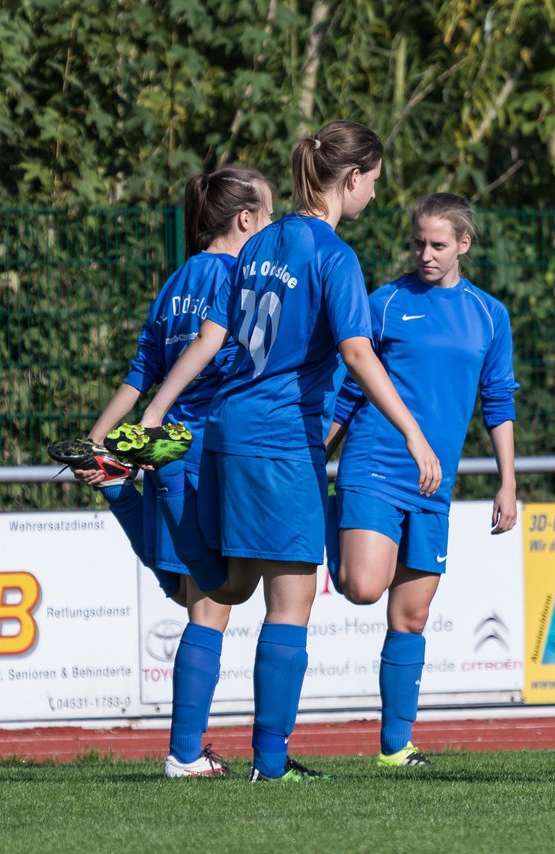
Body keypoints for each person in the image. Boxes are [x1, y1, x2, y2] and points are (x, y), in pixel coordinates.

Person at [137, 120, 442, 782]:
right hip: (281, 443)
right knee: (291, 602)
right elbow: (357, 353)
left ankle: (185, 753)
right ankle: (270, 765)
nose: (373, 197)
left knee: (223, 590)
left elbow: (213, 336)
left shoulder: (257, 244)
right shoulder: (333, 255)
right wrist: (413, 432)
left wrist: (157, 409)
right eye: (374, 184)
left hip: (225, 434)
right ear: (352, 179)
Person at [56, 166, 273, 778]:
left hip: (165, 447)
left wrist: (99, 438)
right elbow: (208, 346)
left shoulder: (176, 278)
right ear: (245, 220)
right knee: (212, 601)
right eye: (271, 214)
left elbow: (139, 368)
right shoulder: (235, 274)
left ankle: (122, 491)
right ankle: (183, 754)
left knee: (193, 593)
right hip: (201, 446)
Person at [325, 193, 519, 768]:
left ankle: (395, 747)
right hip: (374, 463)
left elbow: (499, 400)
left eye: (438, 244)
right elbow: (347, 390)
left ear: (463, 244)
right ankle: (326, 516)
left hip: (436, 484)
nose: (425, 254)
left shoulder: (490, 315)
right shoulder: (383, 304)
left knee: (411, 616)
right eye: (418, 243)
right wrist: (314, 456)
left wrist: (507, 481)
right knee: (362, 585)